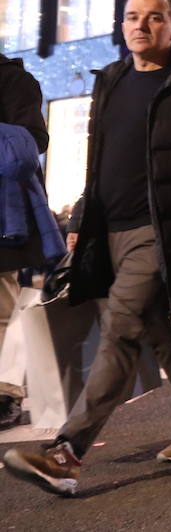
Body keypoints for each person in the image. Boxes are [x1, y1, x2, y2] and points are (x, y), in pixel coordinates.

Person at [3, 0, 171, 496]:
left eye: (155, 18)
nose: (142, 26)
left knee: (120, 328)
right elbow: (99, 160)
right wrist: (81, 214)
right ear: (122, 26)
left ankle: (66, 452)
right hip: (109, 229)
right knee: (159, 327)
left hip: (162, 232)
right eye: (133, 18)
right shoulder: (112, 81)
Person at [0, 53, 63, 429]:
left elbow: (33, 140)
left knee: (5, 308)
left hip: (6, 213)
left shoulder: (13, 80)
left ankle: (6, 391)